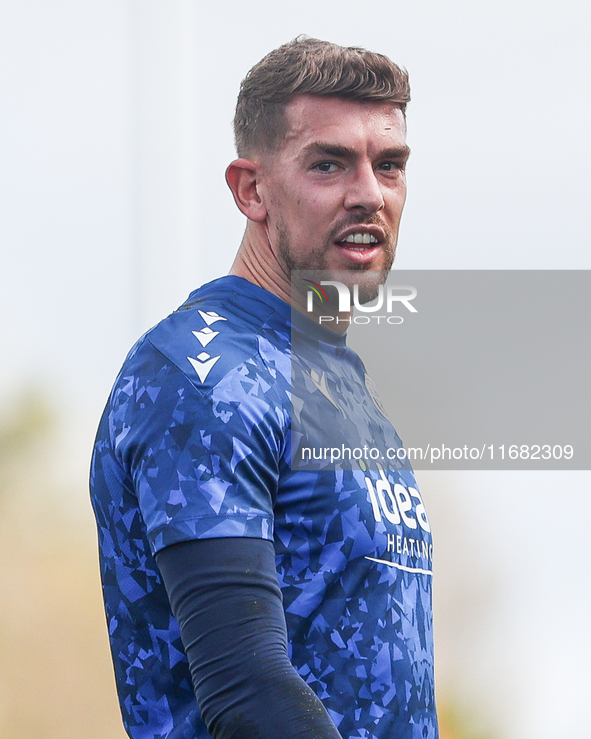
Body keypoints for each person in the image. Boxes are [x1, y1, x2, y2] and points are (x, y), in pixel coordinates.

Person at [90, 37, 437, 739]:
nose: (368, 192)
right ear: (251, 189)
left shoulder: (335, 380)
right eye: (328, 164)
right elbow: (247, 692)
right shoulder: (200, 374)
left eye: (389, 165)